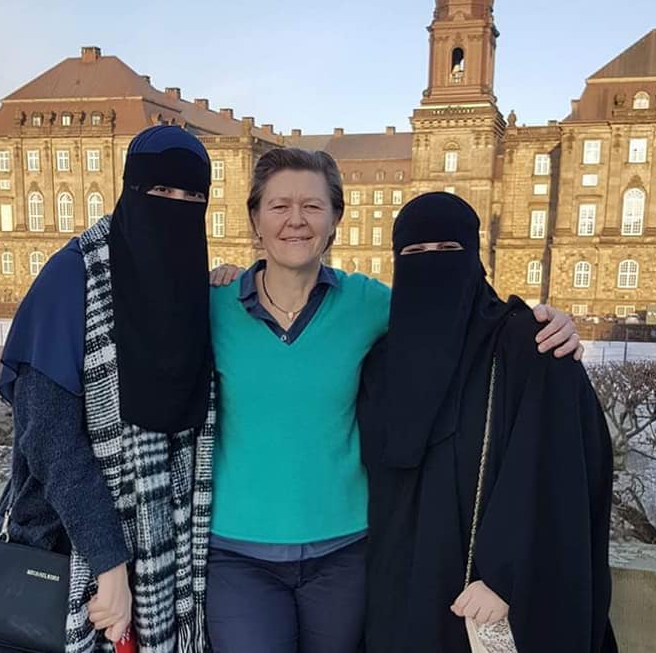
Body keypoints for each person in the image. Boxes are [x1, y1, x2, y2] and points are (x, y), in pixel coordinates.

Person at [205, 149, 583, 653]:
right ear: (254, 218)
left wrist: (550, 322)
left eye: (312, 206)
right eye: (279, 206)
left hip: (343, 551)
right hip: (238, 553)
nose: (296, 220)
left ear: (335, 221)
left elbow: (458, 313)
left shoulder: (372, 303)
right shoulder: (213, 305)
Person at [0, 125, 215, 653]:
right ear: (131, 188)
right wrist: (110, 565)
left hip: (163, 557)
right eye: (162, 190)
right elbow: (51, 442)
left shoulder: (191, 293)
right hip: (60, 552)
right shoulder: (72, 278)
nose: (177, 206)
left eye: (193, 197)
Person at [357, 192, 617, 653]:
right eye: (414, 252)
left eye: (448, 249)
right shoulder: (381, 360)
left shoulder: (528, 346)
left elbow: (559, 467)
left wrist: (506, 575)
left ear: (475, 257)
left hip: (484, 601)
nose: (431, 263)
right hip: (397, 595)